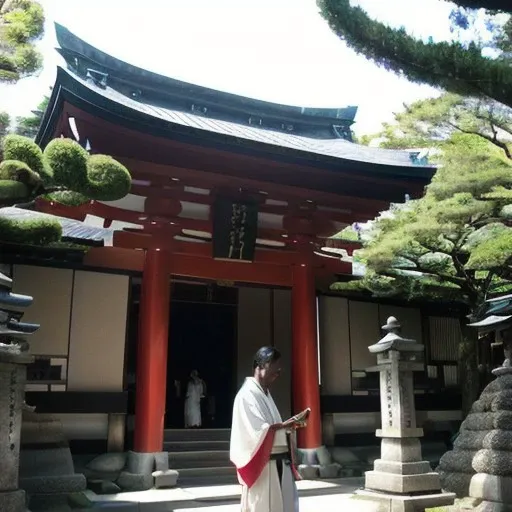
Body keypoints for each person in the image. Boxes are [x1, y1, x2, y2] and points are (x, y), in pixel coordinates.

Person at [230, 346, 308, 512]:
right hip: (264, 468)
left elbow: (271, 427)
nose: (278, 372)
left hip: (280, 463)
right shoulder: (247, 395)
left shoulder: (264, 394)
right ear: (260, 366)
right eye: (274, 367)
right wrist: (284, 426)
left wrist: (289, 427)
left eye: (279, 368)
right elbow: (258, 431)